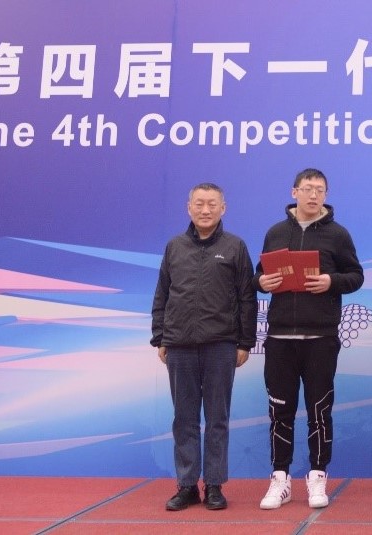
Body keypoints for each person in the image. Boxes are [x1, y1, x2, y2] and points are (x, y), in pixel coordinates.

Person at [254, 168, 364, 510]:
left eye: (320, 190)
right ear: (294, 192)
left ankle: (317, 475)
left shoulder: (338, 234)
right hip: (280, 338)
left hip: (320, 338)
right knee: (279, 410)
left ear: (326, 195)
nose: (313, 195)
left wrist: (332, 282)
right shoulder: (275, 232)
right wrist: (262, 283)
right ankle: (280, 478)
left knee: (319, 409)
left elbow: (356, 276)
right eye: (307, 189)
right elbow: (259, 275)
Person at [151, 182, 257, 511]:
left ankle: (214, 484)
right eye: (199, 204)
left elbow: (247, 298)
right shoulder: (174, 247)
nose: (206, 210)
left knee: (217, 418)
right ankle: (186, 486)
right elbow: (162, 293)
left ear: (223, 208)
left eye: (212, 204)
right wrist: (160, 336)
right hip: (179, 345)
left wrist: (245, 341)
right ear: (189, 208)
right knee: (183, 418)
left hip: (221, 345)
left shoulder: (235, 246)